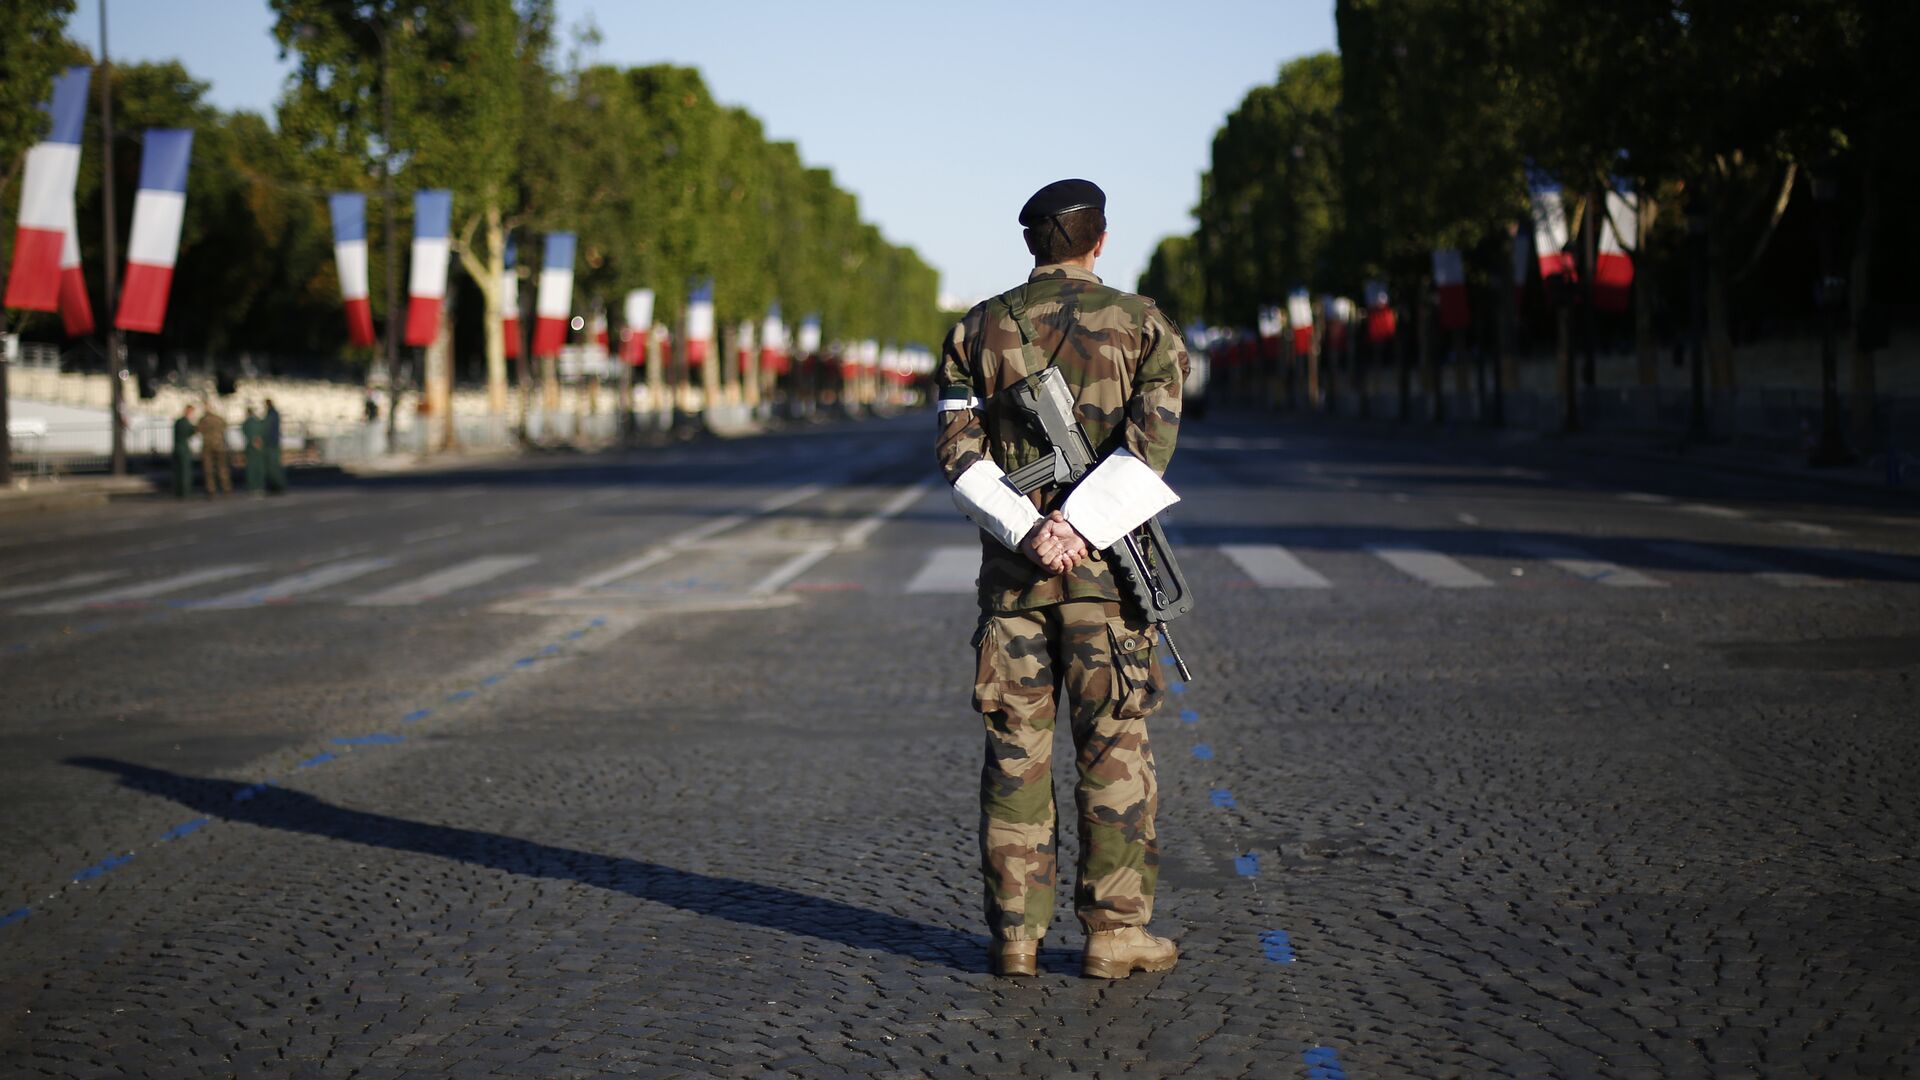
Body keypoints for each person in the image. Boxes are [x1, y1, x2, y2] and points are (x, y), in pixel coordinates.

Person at [934, 179, 1189, 979]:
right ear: (1099, 240)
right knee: (1114, 748)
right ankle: (1115, 934)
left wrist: (1032, 529)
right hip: (1106, 584)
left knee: (1016, 754)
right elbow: (1150, 448)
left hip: (1014, 582)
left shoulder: (976, 329)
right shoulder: (1144, 324)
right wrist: (1079, 528)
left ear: (1031, 244)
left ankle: (1016, 934)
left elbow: (956, 451)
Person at [196, 401, 232, 496]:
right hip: (219, 445)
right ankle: (226, 488)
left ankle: (211, 489)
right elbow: (224, 427)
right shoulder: (219, 419)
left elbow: (198, 430)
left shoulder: (203, 420)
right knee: (222, 468)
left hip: (207, 446)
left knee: (208, 470)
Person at [170, 403, 196, 497]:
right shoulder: (184, 422)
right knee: (185, 472)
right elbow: (189, 433)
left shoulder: (178, 421)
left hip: (178, 448)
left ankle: (179, 492)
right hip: (183, 449)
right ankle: (185, 492)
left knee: (178, 471)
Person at [262, 397, 287, 493]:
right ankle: (276, 486)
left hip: (271, 443)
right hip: (272, 443)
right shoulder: (273, 413)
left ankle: (277, 486)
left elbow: (267, 427)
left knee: (273, 467)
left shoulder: (272, 414)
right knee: (273, 466)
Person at [240, 404, 266, 496]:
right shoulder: (258, 422)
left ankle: (253, 487)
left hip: (251, 447)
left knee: (251, 468)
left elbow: (244, 432)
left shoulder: (246, 423)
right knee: (259, 467)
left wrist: (252, 441)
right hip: (259, 447)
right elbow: (263, 431)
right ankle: (259, 486)